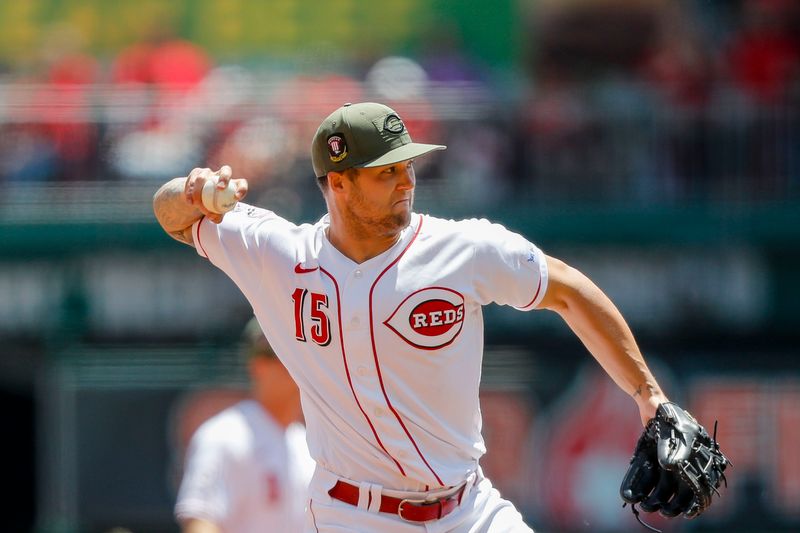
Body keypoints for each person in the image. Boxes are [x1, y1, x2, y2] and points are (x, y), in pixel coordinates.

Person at [154, 102, 670, 532]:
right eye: (386, 172)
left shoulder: (463, 249)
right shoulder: (278, 253)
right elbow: (169, 213)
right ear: (338, 183)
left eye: (408, 166)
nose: (405, 182)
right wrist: (196, 191)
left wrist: (650, 397)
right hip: (352, 515)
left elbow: (570, 291)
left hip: (469, 507)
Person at [174, 317, 315, 533]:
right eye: (284, 356)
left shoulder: (306, 445)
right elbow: (201, 524)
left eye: (301, 356)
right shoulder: (224, 436)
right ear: (258, 365)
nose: (296, 367)